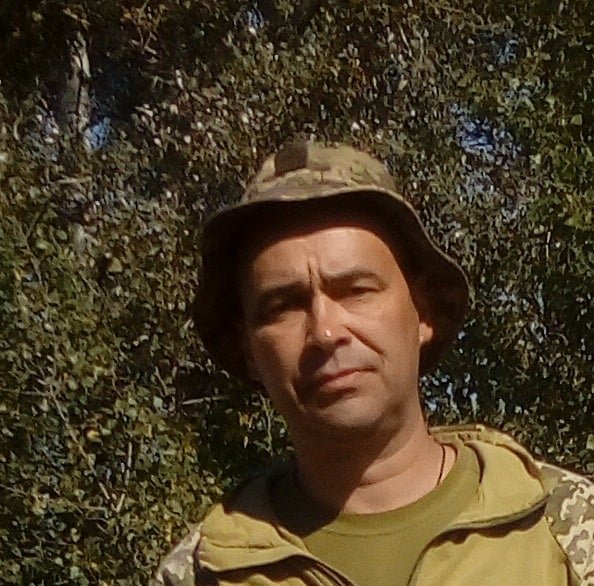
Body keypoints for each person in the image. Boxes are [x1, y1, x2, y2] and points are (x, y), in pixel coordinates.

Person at [152, 142, 594, 586]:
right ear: (248, 349)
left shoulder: (568, 532)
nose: (326, 332)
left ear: (423, 312)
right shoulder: (202, 571)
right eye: (283, 306)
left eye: (356, 290)